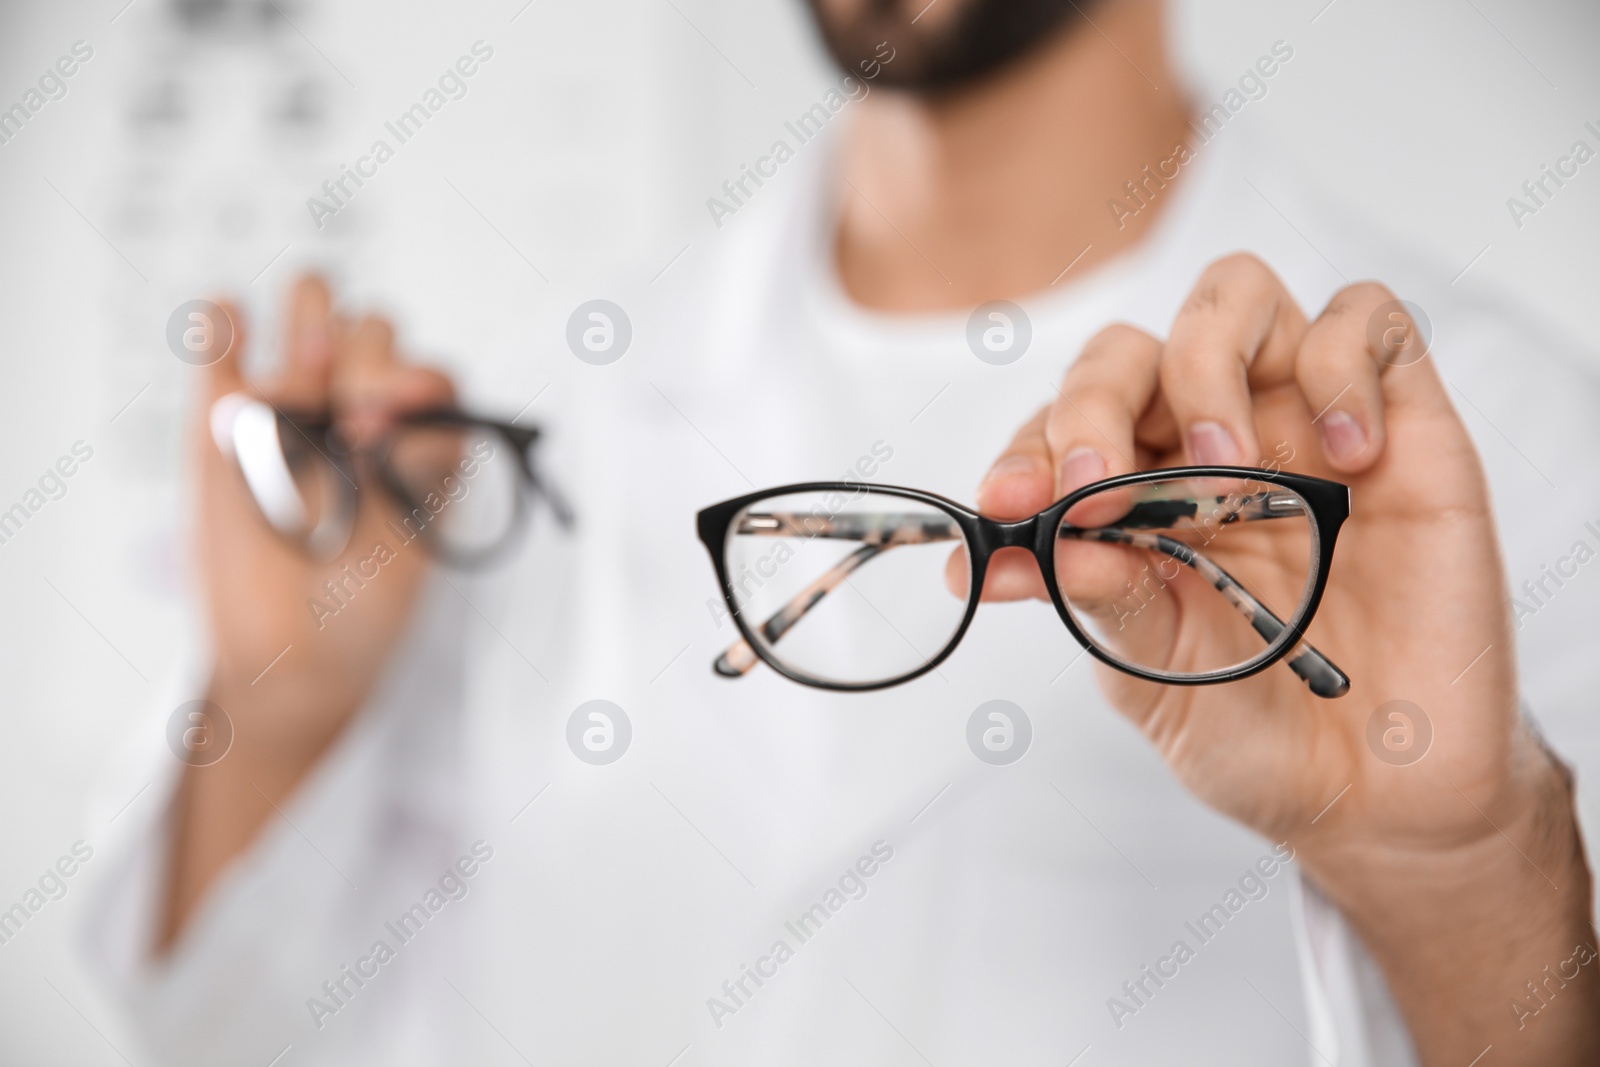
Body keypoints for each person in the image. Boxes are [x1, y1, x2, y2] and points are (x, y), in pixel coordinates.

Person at [83, 0, 1600, 1063]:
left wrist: (1465, 883)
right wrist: (279, 722)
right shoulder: (534, 427)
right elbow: (232, 1027)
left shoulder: (1479, 463)